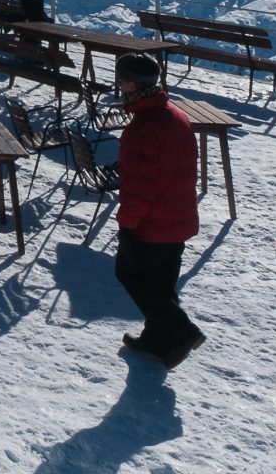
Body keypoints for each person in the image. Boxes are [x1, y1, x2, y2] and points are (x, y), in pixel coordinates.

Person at [111, 52, 204, 367]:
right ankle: (156, 340)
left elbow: (139, 188)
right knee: (162, 284)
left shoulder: (143, 128)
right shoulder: (175, 114)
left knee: (131, 274)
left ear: (132, 84)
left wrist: (127, 225)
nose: (118, 84)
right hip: (178, 218)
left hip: (153, 223)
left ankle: (182, 332)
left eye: (120, 79)